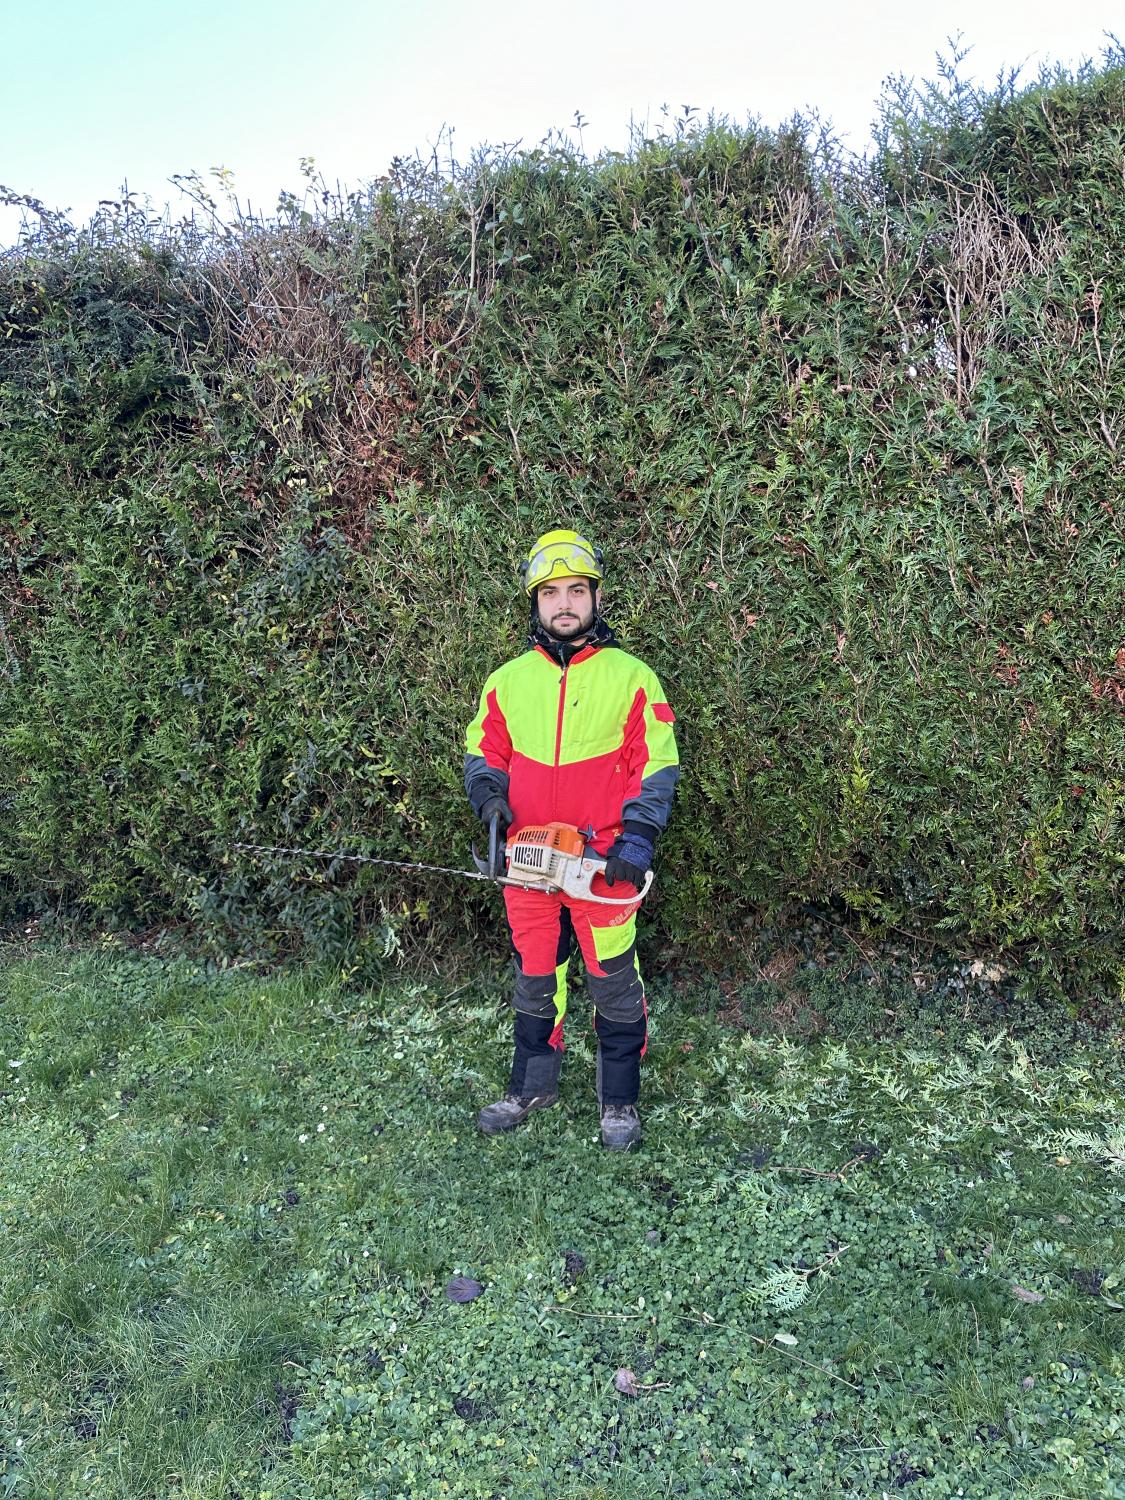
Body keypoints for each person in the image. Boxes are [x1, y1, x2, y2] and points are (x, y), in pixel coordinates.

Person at [464, 528, 679, 1150]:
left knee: (613, 980)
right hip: (527, 862)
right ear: (536, 601)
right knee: (535, 977)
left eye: (576, 591)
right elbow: (484, 750)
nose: (564, 604)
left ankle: (619, 1103)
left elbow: (656, 764)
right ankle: (531, 1087)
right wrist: (489, 798)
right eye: (551, 592)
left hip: (603, 864)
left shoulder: (633, 677)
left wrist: (638, 838)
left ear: (596, 597)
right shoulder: (508, 681)